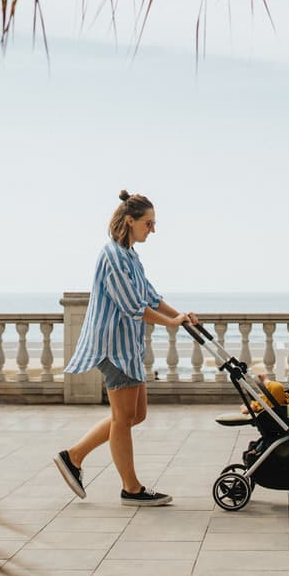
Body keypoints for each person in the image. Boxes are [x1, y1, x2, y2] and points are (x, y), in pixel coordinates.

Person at [53, 190, 198, 506]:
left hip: (127, 347)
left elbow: (150, 296)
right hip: (112, 346)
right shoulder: (112, 257)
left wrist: (181, 317)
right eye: (149, 223)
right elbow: (133, 306)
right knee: (123, 417)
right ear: (130, 221)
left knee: (136, 414)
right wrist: (170, 324)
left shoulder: (131, 256)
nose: (153, 230)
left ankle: (73, 456)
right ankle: (131, 488)